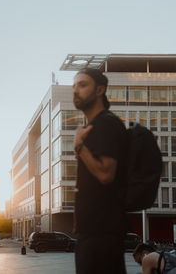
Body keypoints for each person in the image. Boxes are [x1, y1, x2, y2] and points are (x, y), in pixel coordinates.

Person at [73, 68, 128, 274]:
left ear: (100, 90)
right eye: (74, 85)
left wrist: (79, 146)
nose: (76, 90)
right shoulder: (96, 125)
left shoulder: (105, 124)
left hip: (101, 234)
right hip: (94, 233)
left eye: (83, 84)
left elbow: (106, 174)